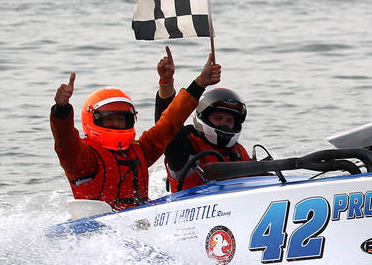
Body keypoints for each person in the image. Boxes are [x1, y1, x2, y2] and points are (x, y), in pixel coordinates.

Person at [50, 50, 221, 210]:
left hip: (139, 225)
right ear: (93, 120)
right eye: (110, 119)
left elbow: (170, 122)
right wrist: (61, 109)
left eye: (122, 118)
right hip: (96, 232)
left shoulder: (139, 150)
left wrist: (200, 83)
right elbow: (64, 141)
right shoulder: (83, 158)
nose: (117, 123)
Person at [154, 47, 251, 192]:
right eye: (218, 118)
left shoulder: (239, 152)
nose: (224, 124)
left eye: (229, 121)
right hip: (189, 210)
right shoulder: (185, 148)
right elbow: (167, 123)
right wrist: (167, 84)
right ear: (204, 118)